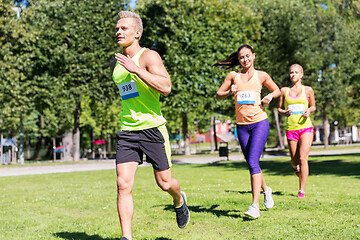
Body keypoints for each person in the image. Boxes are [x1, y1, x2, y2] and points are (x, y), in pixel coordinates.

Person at [110, 11, 189, 240]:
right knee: (123, 184)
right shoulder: (117, 64)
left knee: (164, 183)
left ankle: (179, 199)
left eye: (123, 28)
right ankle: (126, 237)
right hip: (127, 130)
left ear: (137, 33)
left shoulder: (148, 56)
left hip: (152, 129)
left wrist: (136, 69)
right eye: (117, 28)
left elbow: (166, 87)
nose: (118, 31)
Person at [214, 44, 280, 219]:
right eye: (242, 57)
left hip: (259, 123)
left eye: (248, 56)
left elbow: (277, 90)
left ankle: (254, 206)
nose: (245, 59)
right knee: (253, 163)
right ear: (239, 59)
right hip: (242, 126)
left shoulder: (261, 75)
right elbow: (218, 94)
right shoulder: (233, 76)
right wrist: (229, 92)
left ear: (253, 56)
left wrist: (269, 96)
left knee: (252, 161)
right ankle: (266, 190)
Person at [278, 64, 316, 199]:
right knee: (294, 160)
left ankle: (302, 190)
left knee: (303, 158)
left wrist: (308, 111)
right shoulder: (284, 91)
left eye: (296, 72)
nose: (293, 75)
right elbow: (279, 109)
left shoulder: (308, 90)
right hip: (291, 128)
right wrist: (285, 112)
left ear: (301, 74)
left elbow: (313, 106)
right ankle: (296, 168)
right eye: (291, 73)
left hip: (306, 128)